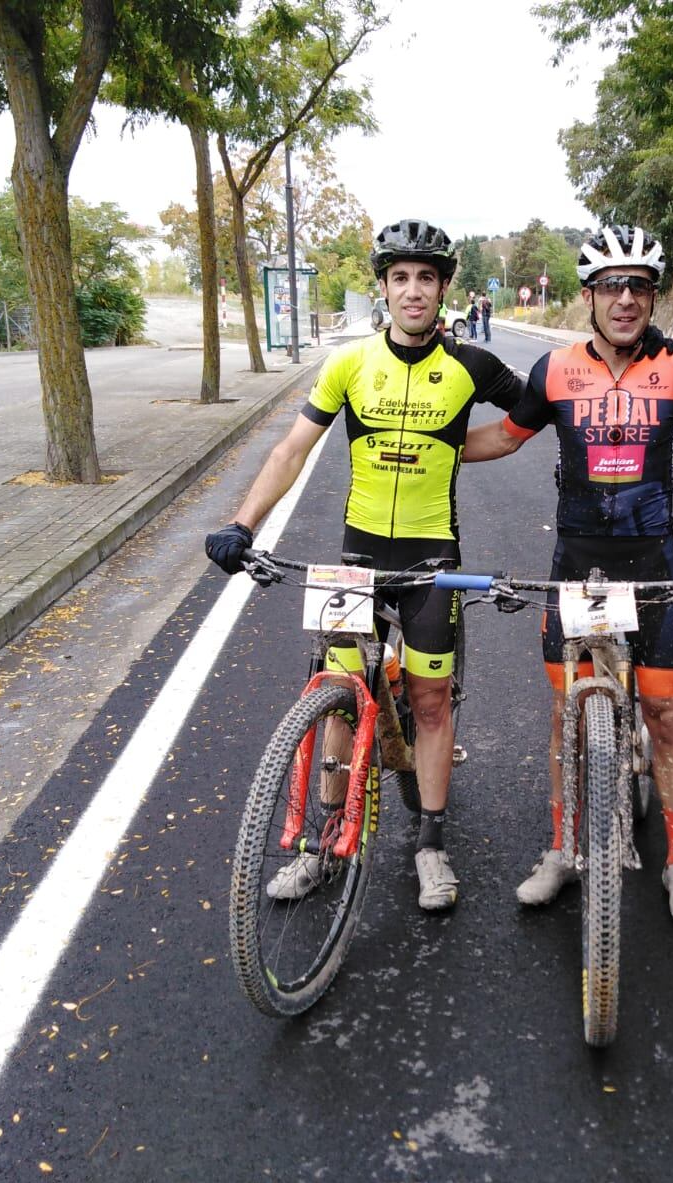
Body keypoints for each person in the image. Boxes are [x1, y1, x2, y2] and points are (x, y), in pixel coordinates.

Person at [206, 218, 522, 911]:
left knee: (431, 701)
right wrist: (242, 523)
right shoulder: (349, 364)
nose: (413, 291)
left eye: (426, 278)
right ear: (383, 287)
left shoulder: (471, 365)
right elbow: (291, 449)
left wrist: (455, 447)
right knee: (340, 697)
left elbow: (530, 417)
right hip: (358, 557)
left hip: (433, 558)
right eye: (400, 277)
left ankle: (431, 845)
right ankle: (323, 844)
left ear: (444, 288)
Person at [463, 224, 673, 925]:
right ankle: (563, 850)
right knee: (567, 718)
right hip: (578, 565)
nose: (625, 298)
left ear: (653, 296)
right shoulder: (555, 370)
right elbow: (506, 436)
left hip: (654, 564)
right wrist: (427, 447)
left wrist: (663, 476)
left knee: (667, 716)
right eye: (611, 286)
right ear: (589, 297)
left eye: (639, 286)